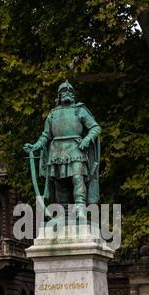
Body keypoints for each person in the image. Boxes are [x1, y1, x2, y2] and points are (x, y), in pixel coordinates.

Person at [23, 80, 101, 220]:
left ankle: (80, 210)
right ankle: (63, 214)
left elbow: (95, 127)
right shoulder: (52, 114)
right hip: (56, 151)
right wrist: (35, 146)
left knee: (78, 179)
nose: (67, 93)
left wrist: (86, 140)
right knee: (60, 183)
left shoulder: (79, 110)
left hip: (76, 149)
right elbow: (46, 135)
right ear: (59, 95)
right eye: (64, 91)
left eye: (70, 91)